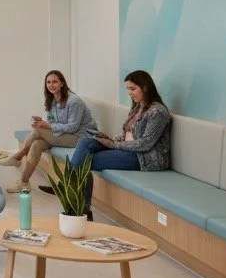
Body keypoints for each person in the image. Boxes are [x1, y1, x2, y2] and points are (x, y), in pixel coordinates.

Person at [68, 69, 171, 220]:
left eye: (133, 89)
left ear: (145, 87)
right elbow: (128, 135)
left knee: (84, 161)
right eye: (128, 89)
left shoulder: (158, 112)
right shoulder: (137, 107)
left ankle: (80, 207)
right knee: (85, 142)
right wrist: (113, 139)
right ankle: (81, 208)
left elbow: (145, 144)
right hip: (127, 149)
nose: (129, 93)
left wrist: (114, 145)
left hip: (144, 158)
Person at [0, 70, 97, 193]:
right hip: (64, 135)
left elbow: (73, 127)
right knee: (36, 144)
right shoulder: (52, 100)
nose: (51, 85)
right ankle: (24, 182)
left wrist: (48, 126)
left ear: (62, 83)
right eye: (48, 82)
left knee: (39, 130)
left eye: (55, 82)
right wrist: (44, 122)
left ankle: (18, 156)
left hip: (80, 137)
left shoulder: (74, 101)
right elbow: (52, 121)